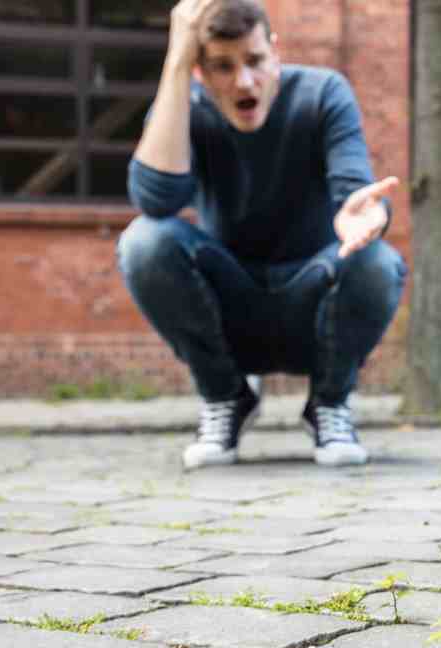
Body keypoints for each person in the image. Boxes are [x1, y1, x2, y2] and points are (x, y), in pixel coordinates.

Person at [118, 0, 405, 469]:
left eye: (253, 61)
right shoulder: (186, 107)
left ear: (274, 52)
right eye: (222, 67)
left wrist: (370, 213)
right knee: (143, 242)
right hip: (231, 306)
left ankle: (329, 404)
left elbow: (356, 192)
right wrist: (176, 63)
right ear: (200, 72)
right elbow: (156, 201)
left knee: (378, 261)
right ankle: (226, 398)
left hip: (311, 301)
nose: (243, 82)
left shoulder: (322, 92)